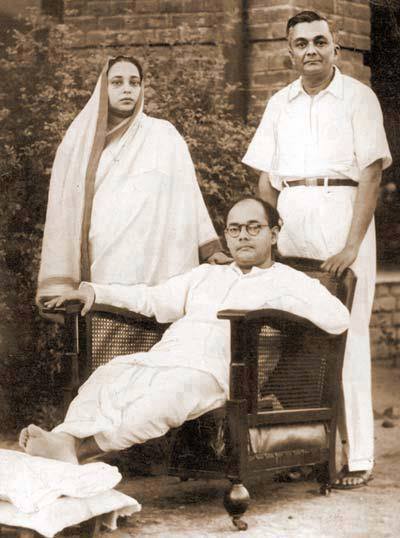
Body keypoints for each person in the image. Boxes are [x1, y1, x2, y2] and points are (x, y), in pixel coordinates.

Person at [19, 197, 349, 464]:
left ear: (274, 234)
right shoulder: (207, 274)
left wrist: (283, 310)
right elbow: (151, 299)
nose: (243, 236)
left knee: (164, 397)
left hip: (220, 374)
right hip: (167, 358)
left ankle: (74, 452)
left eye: (253, 227)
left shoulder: (291, 282)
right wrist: (93, 293)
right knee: (108, 378)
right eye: (234, 229)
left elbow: (338, 319)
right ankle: (63, 439)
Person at [242, 11, 392, 488]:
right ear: (289, 51)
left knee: (346, 337)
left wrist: (351, 244)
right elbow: (264, 176)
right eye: (301, 43)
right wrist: (271, 236)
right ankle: (306, 452)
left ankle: (360, 456)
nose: (311, 50)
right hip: (293, 222)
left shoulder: (358, 97)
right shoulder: (279, 103)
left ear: (336, 46)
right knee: (297, 338)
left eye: (320, 41)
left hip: (340, 213)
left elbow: (371, 172)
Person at [37, 55, 228, 312]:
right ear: (103, 88)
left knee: (160, 317)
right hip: (109, 255)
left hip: (161, 255)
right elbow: (63, 209)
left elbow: (189, 195)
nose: (127, 89)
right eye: (117, 82)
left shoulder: (164, 134)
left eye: (134, 82)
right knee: (111, 320)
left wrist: (209, 247)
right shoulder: (79, 143)